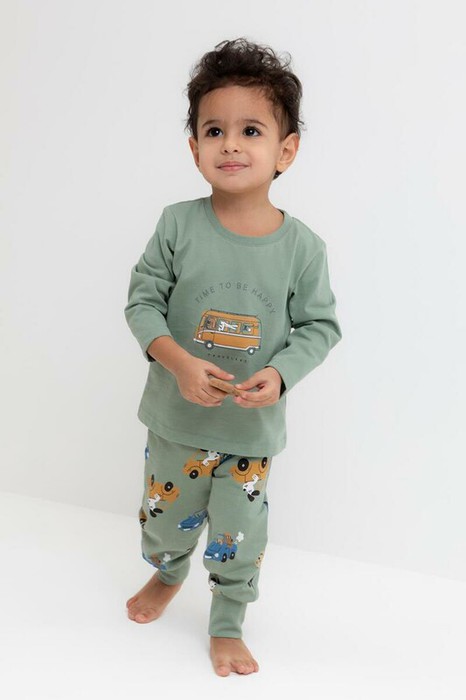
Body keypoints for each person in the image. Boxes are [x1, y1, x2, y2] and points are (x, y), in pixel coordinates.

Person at [123, 37, 342, 676]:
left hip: (249, 432)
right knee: (164, 522)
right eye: (214, 130)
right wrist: (179, 363)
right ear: (194, 148)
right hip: (176, 421)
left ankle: (226, 620)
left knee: (239, 535)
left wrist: (280, 374)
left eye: (251, 130)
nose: (230, 145)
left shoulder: (303, 248)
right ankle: (168, 573)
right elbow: (142, 304)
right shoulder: (176, 225)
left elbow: (320, 326)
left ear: (286, 151)